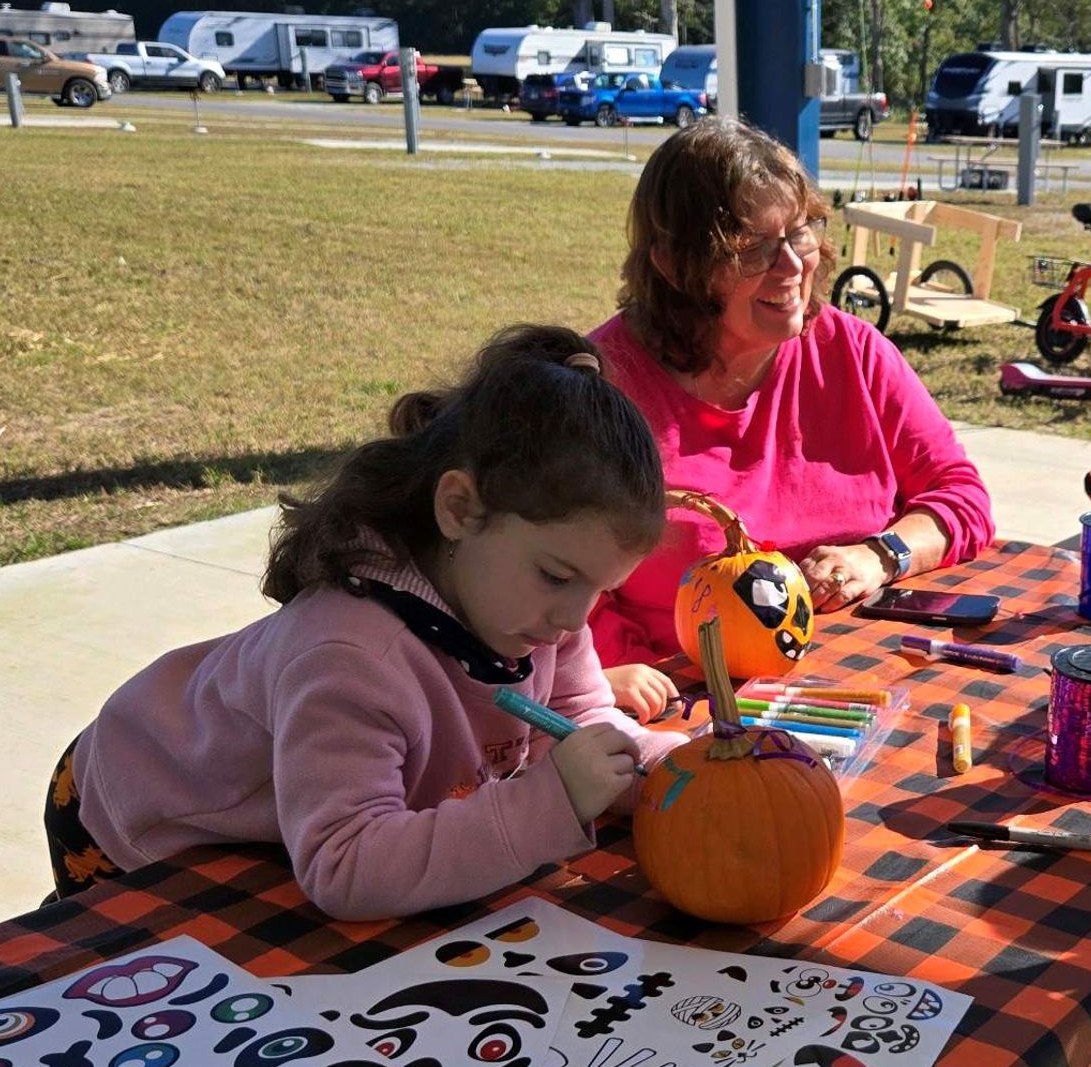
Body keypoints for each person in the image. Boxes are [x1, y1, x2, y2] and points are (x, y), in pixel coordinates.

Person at [52, 326, 681, 922]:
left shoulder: (537, 613)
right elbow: (346, 865)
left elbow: (580, 726)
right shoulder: (350, 657)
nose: (575, 618)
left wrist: (679, 769)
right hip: (140, 807)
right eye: (557, 575)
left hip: (308, 821)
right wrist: (550, 802)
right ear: (460, 509)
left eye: (602, 590)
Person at [586, 118, 995, 716]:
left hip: (863, 677)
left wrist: (879, 556)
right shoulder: (599, 392)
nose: (793, 266)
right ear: (675, 266)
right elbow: (538, 580)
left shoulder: (850, 352)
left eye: (800, 234)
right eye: (752, 248)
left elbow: (960, 497)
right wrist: (628, 684)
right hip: (683, 702)